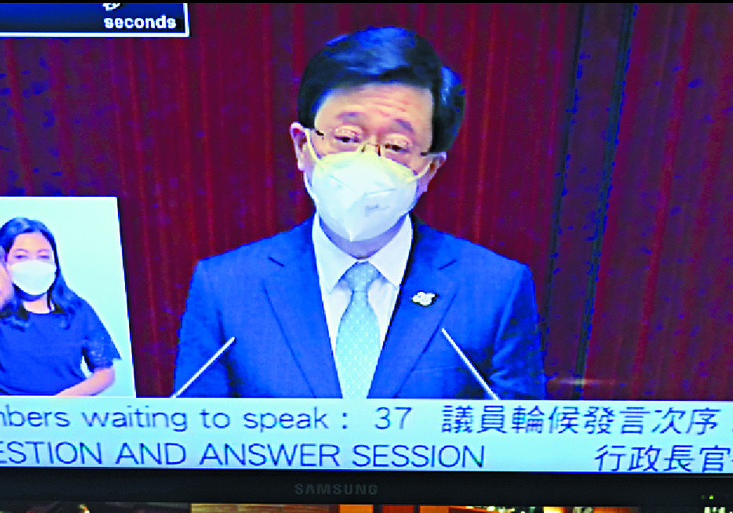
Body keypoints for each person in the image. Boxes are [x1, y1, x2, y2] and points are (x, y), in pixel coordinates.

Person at [173, 27, 546, 400]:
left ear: (429, 170)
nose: (368, 161)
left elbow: (518, 449)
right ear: (303, 146)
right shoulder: (226, 286)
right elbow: (197, 443)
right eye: (347, 138)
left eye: (397, 145)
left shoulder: (494, 289)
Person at [0, 217, 120, 396]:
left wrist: (60, 403)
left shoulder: (77, 309)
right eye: (21, 256)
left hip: (63, 412)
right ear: (4, 261)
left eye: (43, 256)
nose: (34, 264)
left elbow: (105, 373)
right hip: (4, 411)